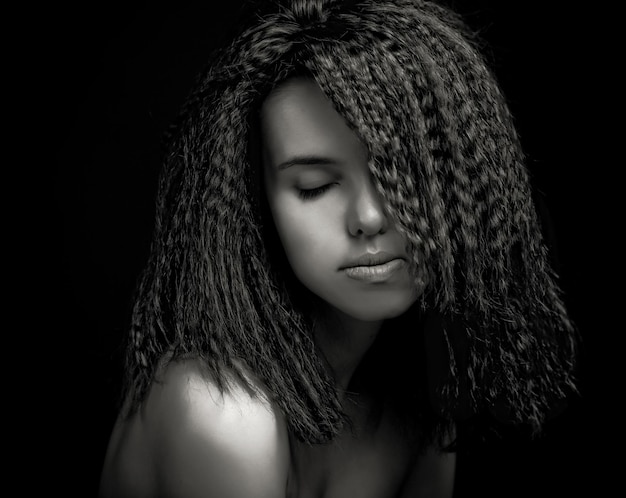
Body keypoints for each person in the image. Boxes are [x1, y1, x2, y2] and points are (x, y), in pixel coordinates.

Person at [98, 1, 579, 496]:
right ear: (256, 206)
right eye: (314, 187)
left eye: (403, 175)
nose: (369, 218)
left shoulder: (419, 408)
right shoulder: (222, 411)